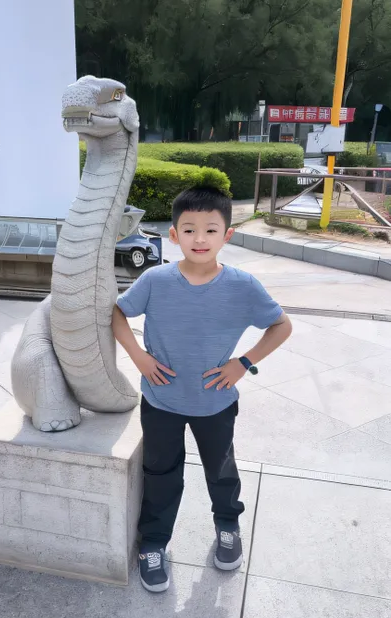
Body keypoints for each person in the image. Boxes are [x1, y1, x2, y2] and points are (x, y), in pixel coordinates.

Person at [112, 186, 292, 593]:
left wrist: (243, 363)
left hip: (215, 403)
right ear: (173, 235)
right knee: (160, 472)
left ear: (226, 235)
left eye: (210, 230)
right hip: (161, 400)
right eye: (189, 229)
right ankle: (154, 544)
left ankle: (228, 526)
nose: (199, 239)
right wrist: (138, 356)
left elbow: (281, 325)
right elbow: (117, 313)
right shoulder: (155, 280)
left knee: (221, 469)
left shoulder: (242, 286)